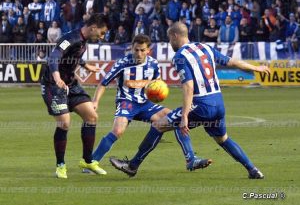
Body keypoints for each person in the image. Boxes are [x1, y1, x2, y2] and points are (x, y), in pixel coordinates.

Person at [110, 22, 271, 179]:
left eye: (169, 39)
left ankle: (133, 166)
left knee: (159, 125)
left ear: (174, 36)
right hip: (218, 103)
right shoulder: (205, 47)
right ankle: (253, 169)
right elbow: (232, 62)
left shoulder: (180, 56)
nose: (169, 43)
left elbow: (188, 86)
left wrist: (185, 115)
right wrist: (256, 68)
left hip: (201, 104)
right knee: (223, 139)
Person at [88, 34, 210, 174]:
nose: (138, 53)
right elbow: (103, 83)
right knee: (117, 131)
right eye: (136, 50)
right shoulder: (122, 63)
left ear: (148, 50)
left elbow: (157, 84)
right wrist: (95, 101)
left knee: (174, 119)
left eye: (142, 50)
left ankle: (191, 158)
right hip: (126, 102)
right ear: (132, 48)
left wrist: (157, 92)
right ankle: (91, 162)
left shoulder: (153, 64)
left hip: (146, 104)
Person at [40, 13, 109, 179]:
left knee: (91, 116)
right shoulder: (70, 38)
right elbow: (54, 56)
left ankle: (87, 160)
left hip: (71, 84)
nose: (102, 36)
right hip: (53, 85)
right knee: (64, 123)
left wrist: (85, 65)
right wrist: (57, 78)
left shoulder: (82, 40)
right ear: (93, 28)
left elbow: (73, 55)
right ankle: (61, 165)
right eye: (101, 32)